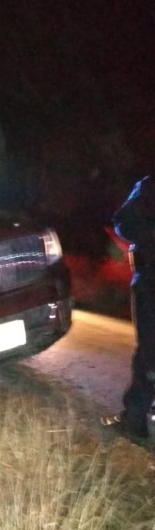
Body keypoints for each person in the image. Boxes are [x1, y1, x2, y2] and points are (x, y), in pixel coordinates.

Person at [102, 175, 155, 439]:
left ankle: (136, 418)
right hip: (150, 278)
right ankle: (135, 418)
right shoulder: (149, 185)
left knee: (149, 353)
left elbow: (123, 221)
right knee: (149, 352)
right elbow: (123, 221)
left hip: (150, 279)